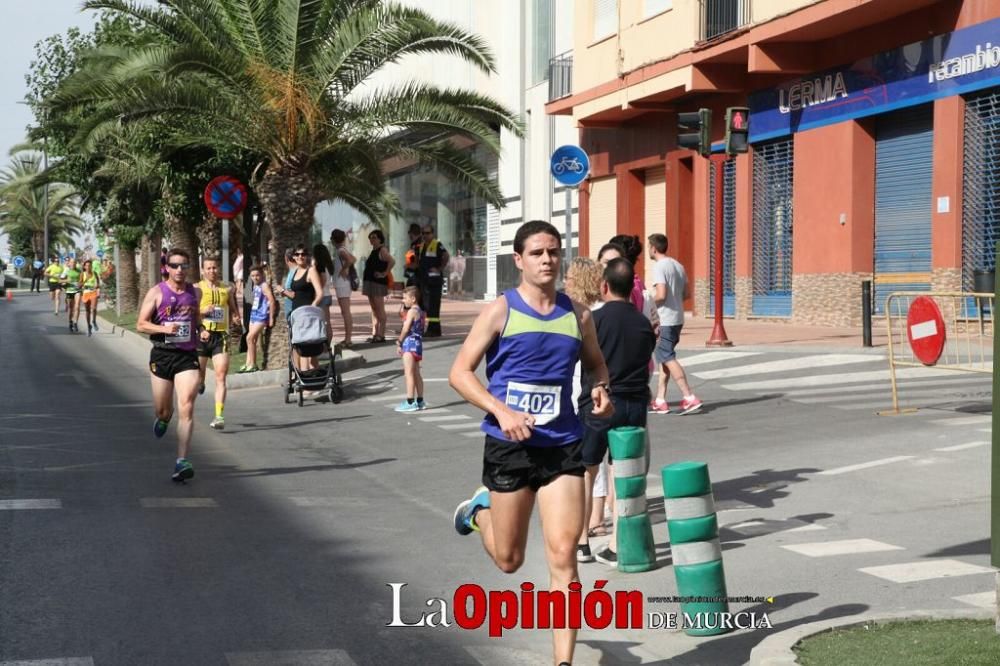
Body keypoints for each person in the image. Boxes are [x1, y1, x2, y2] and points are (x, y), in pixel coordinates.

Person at [449, 220, 613, 666]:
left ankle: (564, 662)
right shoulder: (502, 311)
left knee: (564, 556)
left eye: (554, 252)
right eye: (538, 253)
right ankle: (478, 512)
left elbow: (597, 365)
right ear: (519, 260)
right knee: (509, 560)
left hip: (562, 447)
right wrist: (501, 410)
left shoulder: (578, 315)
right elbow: (459, 373)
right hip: (510, 445)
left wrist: (601, 388)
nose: (547, 260)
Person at [577, 258, 657, 566]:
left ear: (604, 286)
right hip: (634, 405)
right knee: (623, 473)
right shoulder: (643, 324)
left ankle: (581, 540)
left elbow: (583, 359)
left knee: (587, 469)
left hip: (600, 401)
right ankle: (615, 545)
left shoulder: (595, 320)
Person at [136, 249, 203, 483]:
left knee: (187, 406)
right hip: (162, 355)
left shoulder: (195, 291)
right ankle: (164, 418)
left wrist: (202, 330)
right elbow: (141, 324)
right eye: (175, 266)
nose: (180, 270)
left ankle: (181, 461)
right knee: (164, 410)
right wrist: (165, 329)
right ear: (167, 267)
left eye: (184, 266)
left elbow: (197, 320)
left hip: (187, 356)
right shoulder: (156, 292)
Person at [563, 257, 614, 555]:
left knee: (586, 468)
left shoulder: (581, 317)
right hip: (610, 395)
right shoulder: (601, 312)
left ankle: (582, 534)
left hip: (583, 396)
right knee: (606, 466)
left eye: (570, 276)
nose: (566, 280)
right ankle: (597, 521)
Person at [648, 233, 702, 415]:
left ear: (654, 248)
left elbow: (661, 294)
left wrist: (648, 303)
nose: (649, 250)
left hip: (665, 320)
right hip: (678, 318)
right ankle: (661, 400)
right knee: (665, 358)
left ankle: (689, 396)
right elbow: (686, 294)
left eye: (649, 247)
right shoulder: (678, 266)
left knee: (667, 357)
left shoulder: (659, 267)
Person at [196, 256, 242, 430]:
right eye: (208, 268)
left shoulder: (227, 288)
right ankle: (200, 383)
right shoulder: (197, 289)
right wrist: (202, 311)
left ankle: (219, 416)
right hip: (202, 335)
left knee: (221, 376)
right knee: (198, 376)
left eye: (214, 268)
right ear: (202, 270)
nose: (212, 271)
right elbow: (191, 312)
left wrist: (236, 317)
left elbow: (232, 307)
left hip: (221, 336)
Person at [274, 245, 324, 370]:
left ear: (307, 256)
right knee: (299, 347)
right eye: (297, 254)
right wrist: (283, 291)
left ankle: (310, 381)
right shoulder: (295, 272)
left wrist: (312, 307)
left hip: (308, 315)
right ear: (294, 257)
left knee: (310, 352)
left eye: (303, 254)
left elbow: (320, 293)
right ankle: (306, 378)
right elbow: (295, 295)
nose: (300, 257)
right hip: (296, 315)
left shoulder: (311, 271)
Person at [394, 286, 427, 413]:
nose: (403, 300)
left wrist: (399, 341)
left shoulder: (412, 311)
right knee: (417, 373)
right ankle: (420, 400)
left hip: (409, 344)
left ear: (413, 299)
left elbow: (406, 329)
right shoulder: (420, 311)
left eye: (405, 298)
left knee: (409, 373)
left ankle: (409, 401)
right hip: (418, 344)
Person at [362, 229, 395, 343]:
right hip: (370, 282)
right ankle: (375, 333)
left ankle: (381, 334)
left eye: (374, 237)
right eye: (370, 237)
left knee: (380, 309)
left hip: (377, 283)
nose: (372, 239)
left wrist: (384, 273)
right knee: (374, 309)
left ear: (380, 238)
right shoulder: (373, 251)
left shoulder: (382, 250)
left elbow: (392, 261)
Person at [417, 224, 448, 337]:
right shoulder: (422, 246)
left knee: (434, 305)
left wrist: (440, 268)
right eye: (423, 233)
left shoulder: (437, 244)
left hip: (434, 281)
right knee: (427, 305)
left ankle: (434, 330)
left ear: (432, 234)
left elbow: (446, 256)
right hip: (425, 280)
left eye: (428, 233)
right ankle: (433, 329)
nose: (425, 235)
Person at [243, 265, 275, 373]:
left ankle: (253, 364)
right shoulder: (256, 285)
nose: (255, 278)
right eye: (252, 276)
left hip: (261, 316)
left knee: (249, 338)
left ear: (262, 275)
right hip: (254, 314)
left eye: (257, 275)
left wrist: (270, 318)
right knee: (252, 340)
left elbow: (271, 300)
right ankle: (248, 363)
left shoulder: (264, 285)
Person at [330, 229, 356, 347]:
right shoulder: (342, 249)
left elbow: (351, 260)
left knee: (345, 312)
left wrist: (344, 269)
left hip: (342, 284)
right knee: (345, 311)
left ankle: (348, 339)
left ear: (334, 240)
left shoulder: (340, 250)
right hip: (342, 284)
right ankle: (347, 338)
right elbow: (353, 259)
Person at [313, 243, 336, 344]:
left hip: (322, 296)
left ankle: (325, 349)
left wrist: (318, 291)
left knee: (323, 323)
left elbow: (323, 278)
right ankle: (328, 347)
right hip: (327, 294)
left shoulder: (320, 266)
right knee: (327, 322)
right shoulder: (327, 265)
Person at [79, 260, 102, 336]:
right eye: (87, 266)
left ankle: (94, 321)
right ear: (84, 267)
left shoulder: (94, 273)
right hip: (86, 293)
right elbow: (80, 284)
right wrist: (83, 283)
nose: (88, 267)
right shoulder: (83, 274)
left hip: (93, 293)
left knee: (94, 308)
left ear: (91, 266)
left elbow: (98, 283)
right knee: (87, 311)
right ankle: (89, 326)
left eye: (90, 265)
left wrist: (97, 286)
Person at [60, 258, 82, 333]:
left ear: (76, 263)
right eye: (72, 262)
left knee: (77, 306)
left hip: (77, 290)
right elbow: (60, 281)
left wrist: (80, 284)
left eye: (74, 262)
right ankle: (70, 322)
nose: (73, 264)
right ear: (69, 263)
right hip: (69, 291)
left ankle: (75, 322)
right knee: (70, 308)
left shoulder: (79, 271)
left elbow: (81, 281)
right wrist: (66, 281)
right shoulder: (66, 270)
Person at [403, 223, 422, 287]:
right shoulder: (414, 244)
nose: (409, 235)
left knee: (411, 292)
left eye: (409, 233)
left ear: (412, 233)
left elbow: (417, 262)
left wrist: (408, 266)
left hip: (418, 275)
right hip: (413, 273)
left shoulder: (419, 244)